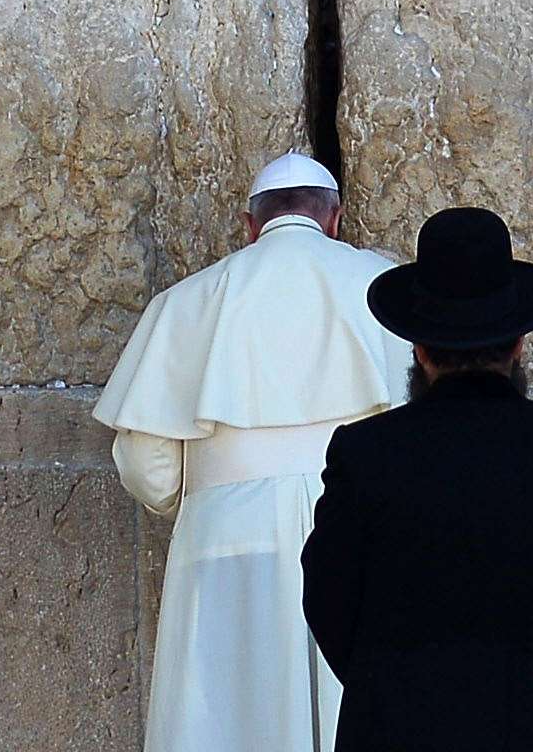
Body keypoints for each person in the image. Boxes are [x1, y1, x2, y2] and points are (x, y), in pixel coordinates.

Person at [98, 155, 416, 752]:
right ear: (335, 220)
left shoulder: (187, 301)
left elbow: (147, 463)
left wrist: (191, 496)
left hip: (226, 537)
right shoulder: (387, 290)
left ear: (249, 225)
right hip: (363, 534)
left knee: (229, 720)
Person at [299, 208, 533, 752]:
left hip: (395, 727)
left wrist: (388, 681)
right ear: (519, 343)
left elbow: (329, 597)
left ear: (420, 350)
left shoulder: (364, 454)